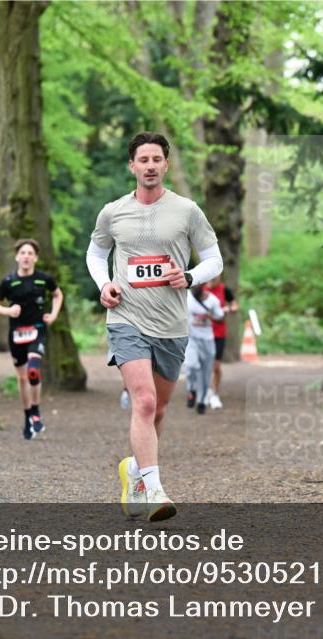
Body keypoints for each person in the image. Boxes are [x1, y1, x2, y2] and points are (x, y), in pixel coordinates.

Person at [86, 131, 223, 522]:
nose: (149, 166)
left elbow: (214, 259)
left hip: (172, 324)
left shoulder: (187, 210)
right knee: (143, 401)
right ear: (132, 166)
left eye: (156, 159)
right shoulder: (113, 211)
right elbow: (96, 253)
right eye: (142, 160)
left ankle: (135, 471)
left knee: (159, 408)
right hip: (126, 318)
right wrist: (104, 284)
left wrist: (191, 277)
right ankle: (156, 489)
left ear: (165, 164)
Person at [0, 238, 63, 440]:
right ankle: (28, 416)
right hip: (16, 334)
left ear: (35, 258)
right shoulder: (8, 281)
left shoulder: (43, 279)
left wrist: (53, 314)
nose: (26, 256)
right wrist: (8, 310)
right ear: (17, 257)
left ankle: (36, 411)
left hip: (37, 329)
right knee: (22, 378)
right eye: (23, 253)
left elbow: (57, 294)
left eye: (30, 253)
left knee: (33, 369)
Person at [185, 284, 224, 414]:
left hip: (208, 340)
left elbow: (220, 317)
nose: (193, 289)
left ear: (203, 286)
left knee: (206, 373)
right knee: (191, 365)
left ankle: (201, 402)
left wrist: (210, 316)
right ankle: (192, 389)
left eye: (197, 287)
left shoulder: (212, 300)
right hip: (191, 339)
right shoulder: (186, 297)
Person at [203, 275, 237, 409]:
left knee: (216, 366)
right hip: (202, 334)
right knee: (203, 365)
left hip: (218, 333)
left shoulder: (224, 290)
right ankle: (204, 391)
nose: (211, 278)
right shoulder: (201, 289)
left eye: (215, 275)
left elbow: (234, 305)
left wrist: (228, 309)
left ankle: (215, 394)